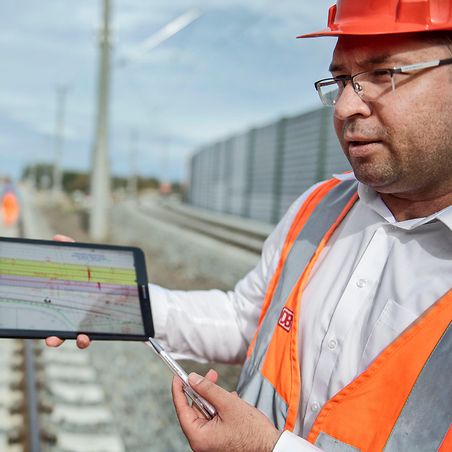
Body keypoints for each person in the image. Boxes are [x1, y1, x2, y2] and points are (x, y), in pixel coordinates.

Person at [47, 1, 452, 450]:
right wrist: (118, 302)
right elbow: (247, 321)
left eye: (382, 74)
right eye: (340, 81)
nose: (345, 107)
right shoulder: (320, 206)